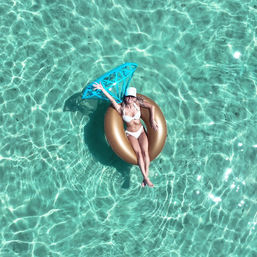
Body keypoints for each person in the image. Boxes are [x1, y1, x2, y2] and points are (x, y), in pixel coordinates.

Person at [93, 82, 158, 187]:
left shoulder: (137, 104)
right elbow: (112, 99)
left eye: (132, 97)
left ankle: (146, 178)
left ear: (134, 98)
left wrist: (152, 121)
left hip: (141, 131)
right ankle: (145, 178)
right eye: (128, 97)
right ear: (125, 97)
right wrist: (102, 89)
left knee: (145, 152)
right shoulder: (121, 109)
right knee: (138, 153)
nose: (129, 99)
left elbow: (152, 107)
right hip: (131, 133)